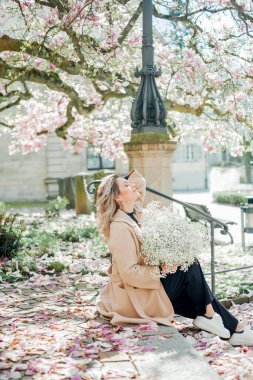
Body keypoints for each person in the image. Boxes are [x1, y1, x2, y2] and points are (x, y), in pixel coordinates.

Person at [95, 169, 253, 346]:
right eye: (126, 185)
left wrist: (166, 257)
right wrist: (161, 269)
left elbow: (138, 182)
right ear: (117, 197)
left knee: (192, 286)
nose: (132, 185)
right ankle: (225, 323)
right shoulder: (120, 226)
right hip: (137, 298)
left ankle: (223, 323)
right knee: (189, 264)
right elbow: (129, 272)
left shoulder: (134, 216)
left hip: (146, 288)